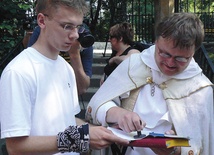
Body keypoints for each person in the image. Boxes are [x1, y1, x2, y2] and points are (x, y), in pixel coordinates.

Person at [0, 0, 129, 155]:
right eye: (67, 26)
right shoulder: (19, 72)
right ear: (42, 21)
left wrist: (103, 131)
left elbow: (68, 120)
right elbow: (15, 147)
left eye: (78, 27)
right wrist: (81, 139)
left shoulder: (66, 67)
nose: (75, 35)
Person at [86, 12, 214, 155]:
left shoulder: (200, 88)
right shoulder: (133, 65)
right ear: (156, 42)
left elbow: (201, 143)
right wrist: (119, 114)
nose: (170, 63)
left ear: (193, 53)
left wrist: (175, 149)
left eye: (180, 58)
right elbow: (97, 105)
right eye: (164, 53)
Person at [27, 24, 93, 95]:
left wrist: (74, 54)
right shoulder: (43, 31)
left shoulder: (83, 38)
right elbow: (29, 69)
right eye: (67, 27)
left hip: (68, 94)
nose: (73, 35)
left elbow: (82, 88)